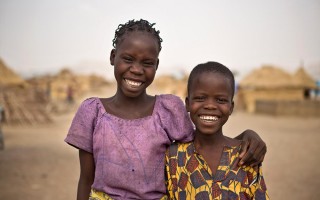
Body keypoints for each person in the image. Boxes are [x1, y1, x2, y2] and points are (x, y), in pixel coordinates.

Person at [65, 19, 267, 200]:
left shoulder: (168, 110)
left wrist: (246, 136)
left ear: (157, 65)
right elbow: (86, 179)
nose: (136, 69)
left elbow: (204, 143)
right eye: (127, 59)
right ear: (112, 57)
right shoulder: (93, 112)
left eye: (147, 63)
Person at [165, 61, 269, 199]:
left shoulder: (245, 156)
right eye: (200, 98)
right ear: (188, 104)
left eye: (220, 100)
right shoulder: (174, 156)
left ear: (231, 107)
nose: (210, 106)